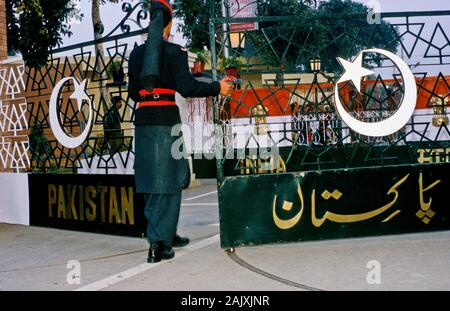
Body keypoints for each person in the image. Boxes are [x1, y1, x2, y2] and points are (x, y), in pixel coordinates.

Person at [128, 0, 235, 263]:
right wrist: (217, 88)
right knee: (172, 178)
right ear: (169, 25)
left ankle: (167, 233)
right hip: (166, 121)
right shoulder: (175, 52)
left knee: (153, 181)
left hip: (143, 121)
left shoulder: (136, 55)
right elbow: (188, 87)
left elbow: (132, 93)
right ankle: (159, 244)